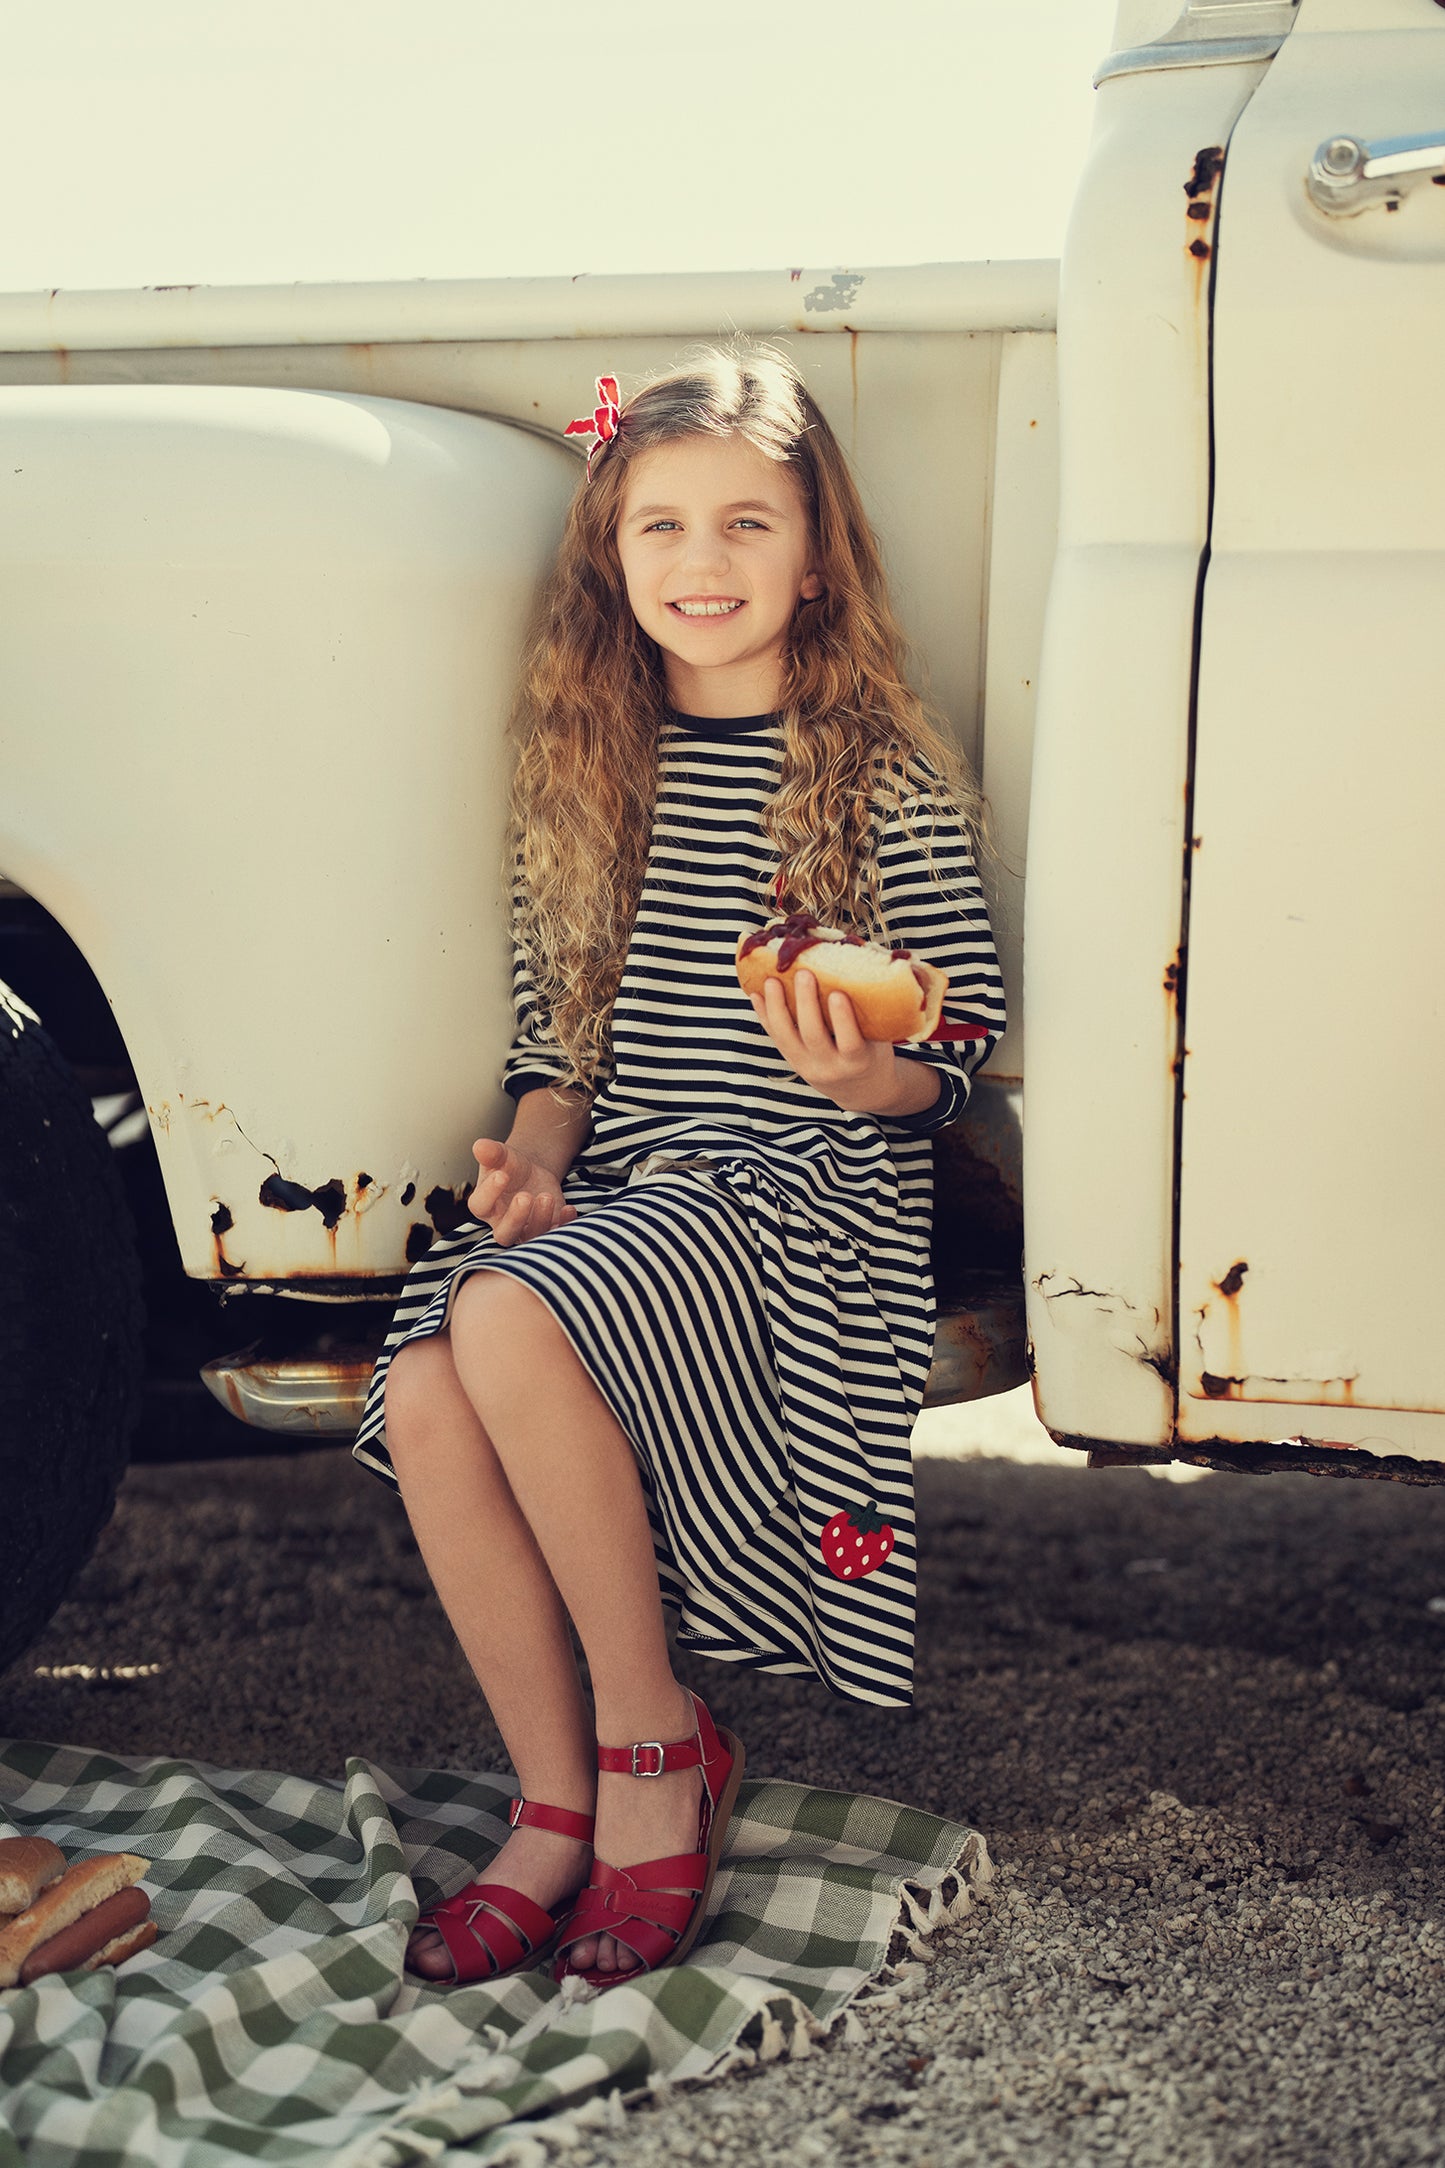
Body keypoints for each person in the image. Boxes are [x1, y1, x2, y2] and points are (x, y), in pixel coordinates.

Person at [350, 344, 1006, 1992]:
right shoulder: (590, 767)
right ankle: (554, 1799)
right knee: (425, 1381)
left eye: (744, 524)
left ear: (815, 556)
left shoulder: (872, 774)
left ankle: (654, 1751)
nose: (701, 563)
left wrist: (867, 1075)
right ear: (610, 554)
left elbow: (956, 1039)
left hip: (808, 1185)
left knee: (502, 1319)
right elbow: (555, 1045)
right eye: (660, 526)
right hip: (636, 1187)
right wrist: (534, 1170)